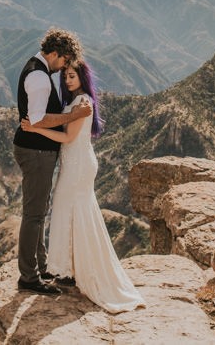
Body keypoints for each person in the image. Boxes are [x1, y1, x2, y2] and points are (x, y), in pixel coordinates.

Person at [21, 61, 145, 313]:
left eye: (72, 76)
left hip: (77, 166)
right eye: (65, 76)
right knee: (72, 213)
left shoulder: (82, 102)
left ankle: (80, 269)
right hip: (74, 163)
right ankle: (73, 268)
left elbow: (67, 137)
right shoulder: (77, 101)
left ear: (82, 78)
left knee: (70, 212)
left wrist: (36, 128)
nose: (67, 80)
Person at [14, 28, 91, 295]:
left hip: (38, 151)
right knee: (34, 215)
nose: (64, 68)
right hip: (35, 152)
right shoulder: (39, 77)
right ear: (55, 53)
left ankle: (41, 267)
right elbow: (36, 120)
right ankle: (29, 277)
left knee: (37, 212)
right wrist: (73, 115)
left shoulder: (39, 71)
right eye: (64, 62)